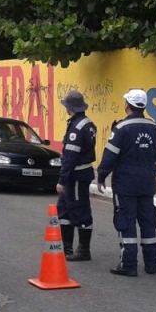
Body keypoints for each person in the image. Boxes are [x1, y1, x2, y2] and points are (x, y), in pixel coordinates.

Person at [97, 89, 156, 277]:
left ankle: (129, 264)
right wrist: (153, 172)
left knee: (126, 222)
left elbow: (110, 155)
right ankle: (151, 264)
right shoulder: (155, 128)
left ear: (127, 105)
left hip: (125, 185)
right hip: (147, 184)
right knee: (148, 222)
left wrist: (102, 175)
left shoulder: (121, 129)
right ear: (143, 106)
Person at [56, 90, 98, 262]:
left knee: (79, 210)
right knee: (64, 208)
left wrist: (62, 180)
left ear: (70, 107)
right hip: (81, 172)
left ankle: (83, 250)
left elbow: (71, 157)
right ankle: (67, 248)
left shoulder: (77, 127)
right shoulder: (87, 123)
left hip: (76, 174)